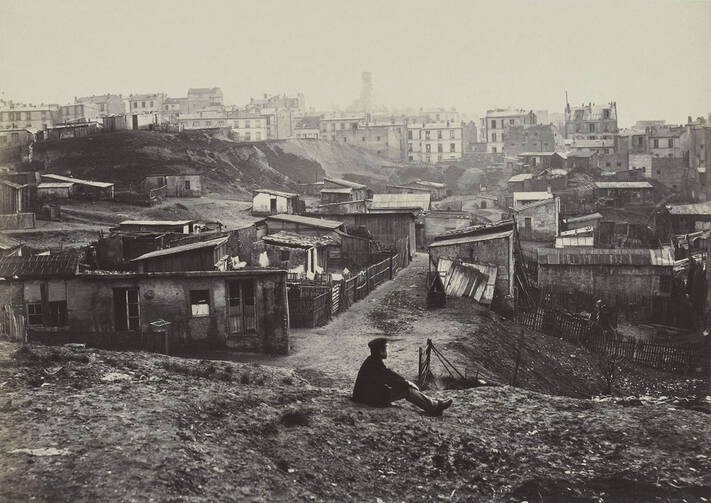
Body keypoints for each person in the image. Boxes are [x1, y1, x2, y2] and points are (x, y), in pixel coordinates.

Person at [352, 337, 453, 416]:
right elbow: (391, 380)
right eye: (385, 348)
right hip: (370, 399)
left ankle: (435, 403)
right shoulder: (374, 364)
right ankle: (434, 407)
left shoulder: (373, 360)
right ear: (380, 351)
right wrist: (407, 384)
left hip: (369, 396)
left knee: (406, 387)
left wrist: (406, 381)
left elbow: (389, 374)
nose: (387, 351)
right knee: (407, 390)